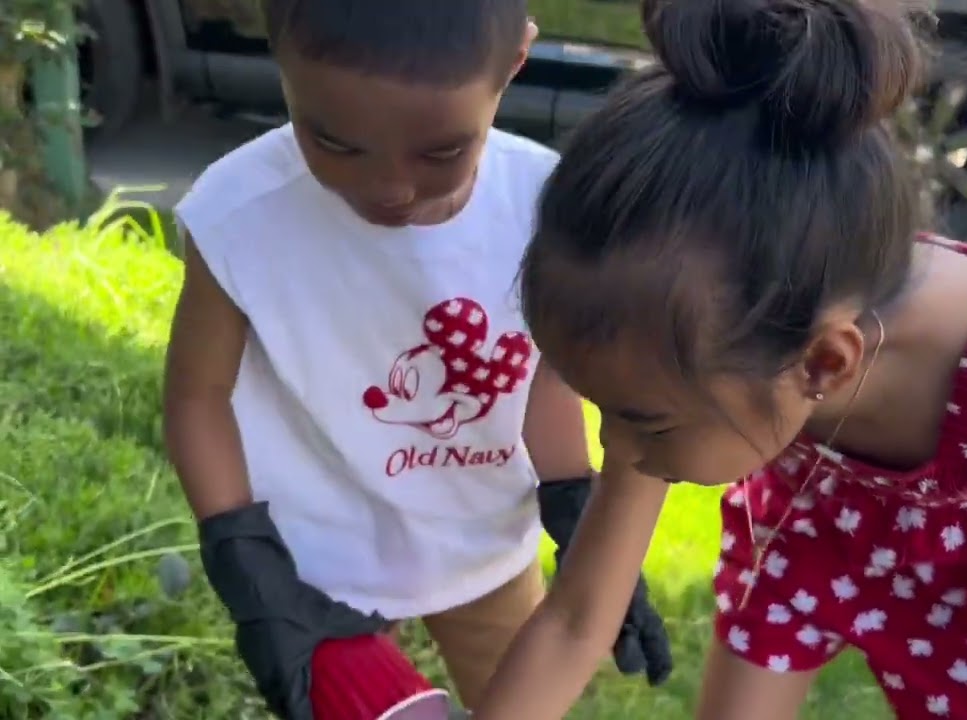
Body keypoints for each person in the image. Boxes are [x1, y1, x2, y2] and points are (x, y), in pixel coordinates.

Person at [469, 0, 967, 718]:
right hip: (813, 524)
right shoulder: (685, 356)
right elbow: (575, 622)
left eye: (640, 424)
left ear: (825, 366)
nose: (616, 449)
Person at [161, 1, 671, 717]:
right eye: (335, 143)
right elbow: (197, 397)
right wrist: (244, 560)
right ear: (277, 56)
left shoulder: (542, 202)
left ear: (515, 60)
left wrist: (573, 503)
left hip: (483, 544)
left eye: (440, 153)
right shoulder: (236, 213)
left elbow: (538, 371)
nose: (389, 188)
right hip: (320, 564)